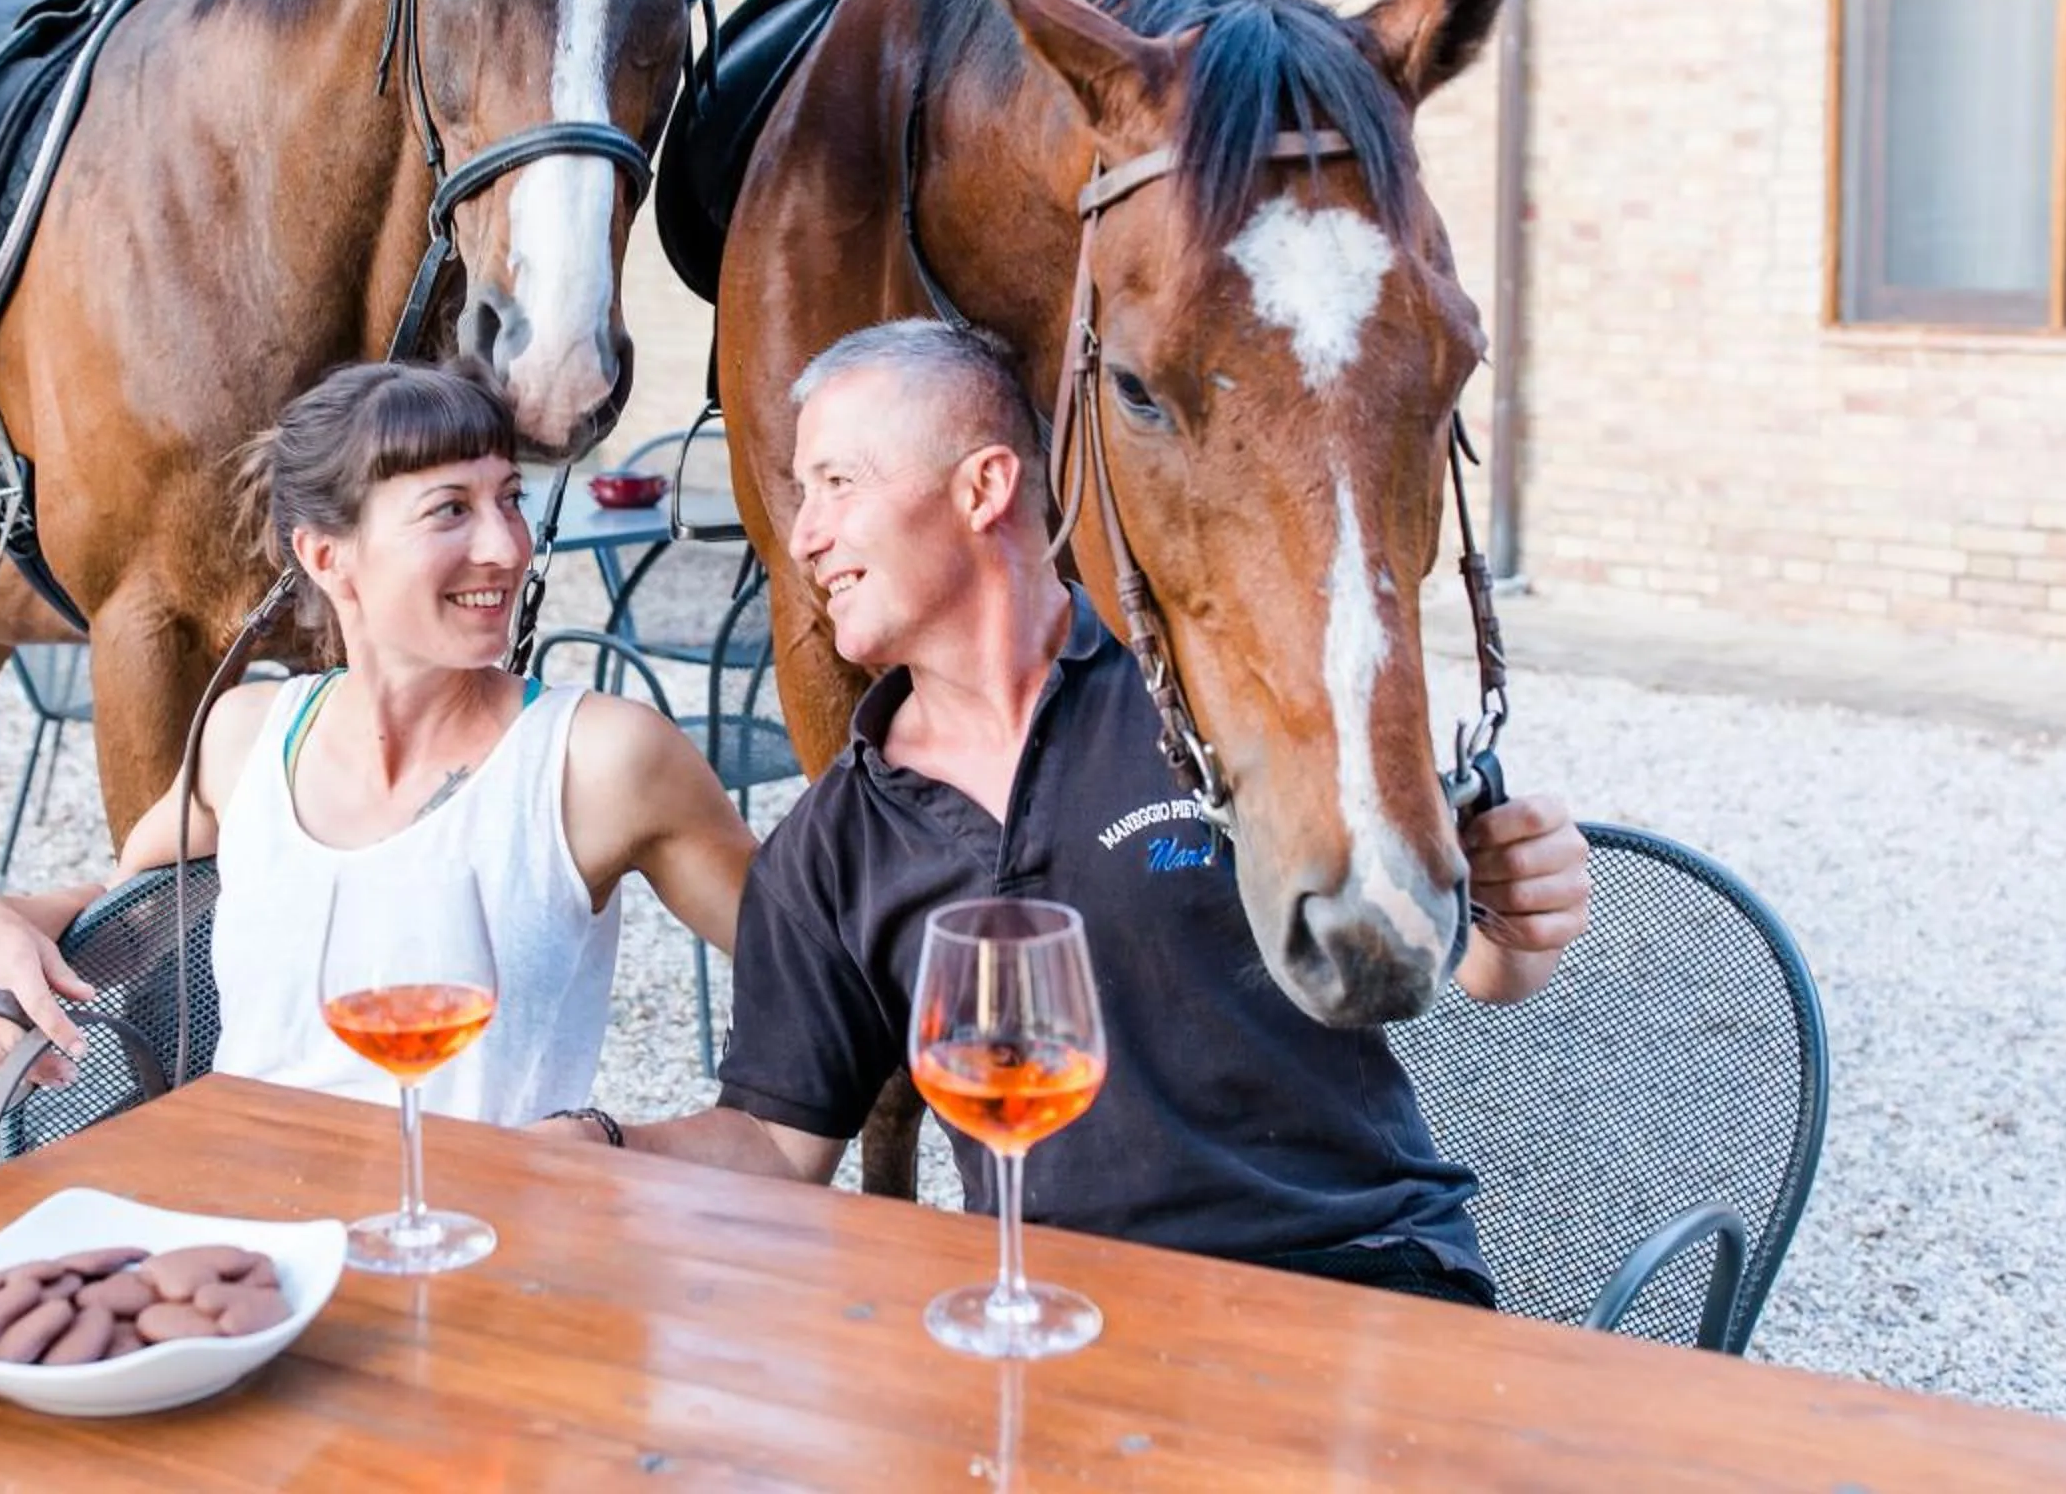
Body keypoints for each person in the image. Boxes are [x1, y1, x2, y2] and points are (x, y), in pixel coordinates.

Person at [537, 321, 1594, 1304]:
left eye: (837, 483)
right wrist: (600, 1141)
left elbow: (1477, 965)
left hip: (1352, 1272)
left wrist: (1516, 912)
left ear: (984, 485)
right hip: (1063, 1315)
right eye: (800, 491)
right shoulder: (832, 842)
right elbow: (776, 1142)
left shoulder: (1214, 698)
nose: (803, 534)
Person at [0, 359, 757, 1127]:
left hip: (476, 1244)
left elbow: (815, 976)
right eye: (451, 510)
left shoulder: (599, 761)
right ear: (327, 556)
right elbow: (127, 927)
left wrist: (662, 1154)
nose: (508, 548)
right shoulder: (248, 737)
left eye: (509, 499)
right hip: (253, 1240)